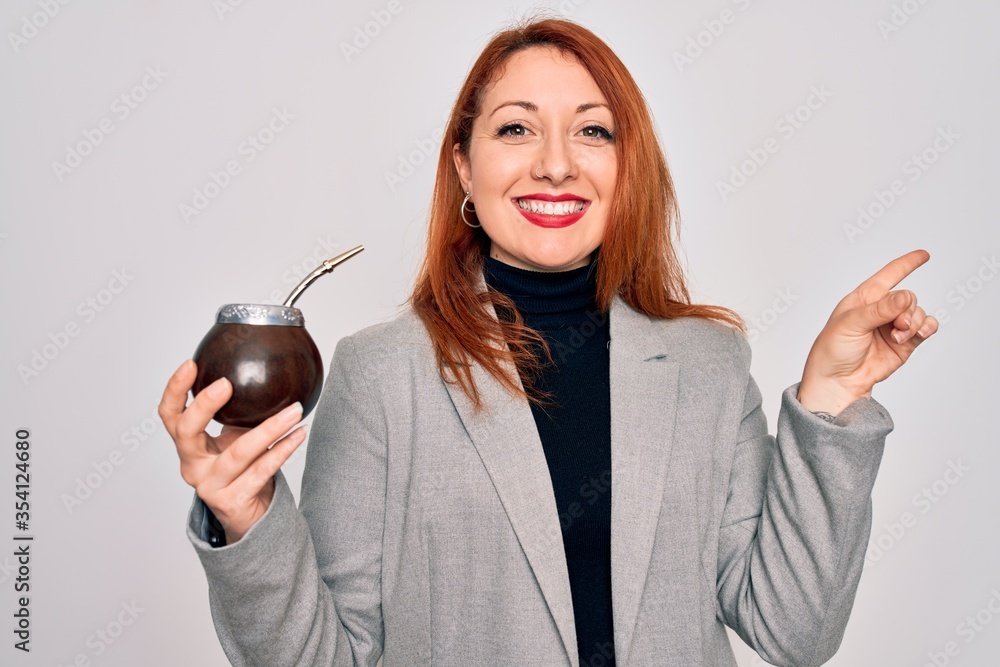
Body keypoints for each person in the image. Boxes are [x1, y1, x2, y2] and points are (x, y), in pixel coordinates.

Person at [159, 17, 938, 667]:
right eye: (516, 128)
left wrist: (832, 401)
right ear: (464, 165)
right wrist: (248, 516)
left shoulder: (707, 363)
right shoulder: (382, 373)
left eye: (592, 131)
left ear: (625, 165)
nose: (557, 164)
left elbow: (793, 629)